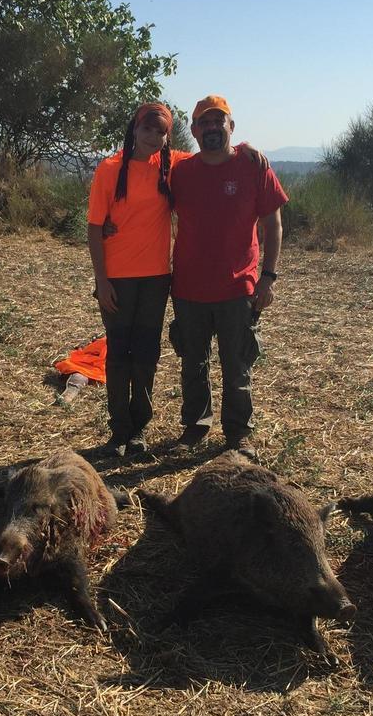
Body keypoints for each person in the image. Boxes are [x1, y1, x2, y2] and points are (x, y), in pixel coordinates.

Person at [167, 95, 288, 461]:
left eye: (219, 121)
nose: (212, 128)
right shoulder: (181, 172)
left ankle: (237, 434)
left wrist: (268, 277)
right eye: (205, 122)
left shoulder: (254, 168)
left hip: (239, 287)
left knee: (237, 363)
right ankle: (195, 427)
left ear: (231, 127)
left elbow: (273, 223)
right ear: (194, 131)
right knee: (193, 362)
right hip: (188, 286)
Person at [85, 103, 182, 457]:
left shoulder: (171, 165)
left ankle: (139, 428)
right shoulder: (109, 169)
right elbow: (95, 227)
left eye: (161, 132)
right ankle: (118, 430)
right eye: (148, 129)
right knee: (118, 354)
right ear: (135, 129)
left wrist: (246, 148)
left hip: (156, 279)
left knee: (146, 353)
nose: (154, 137)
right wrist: (102, 279)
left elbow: (214, 158)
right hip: (118, 280)